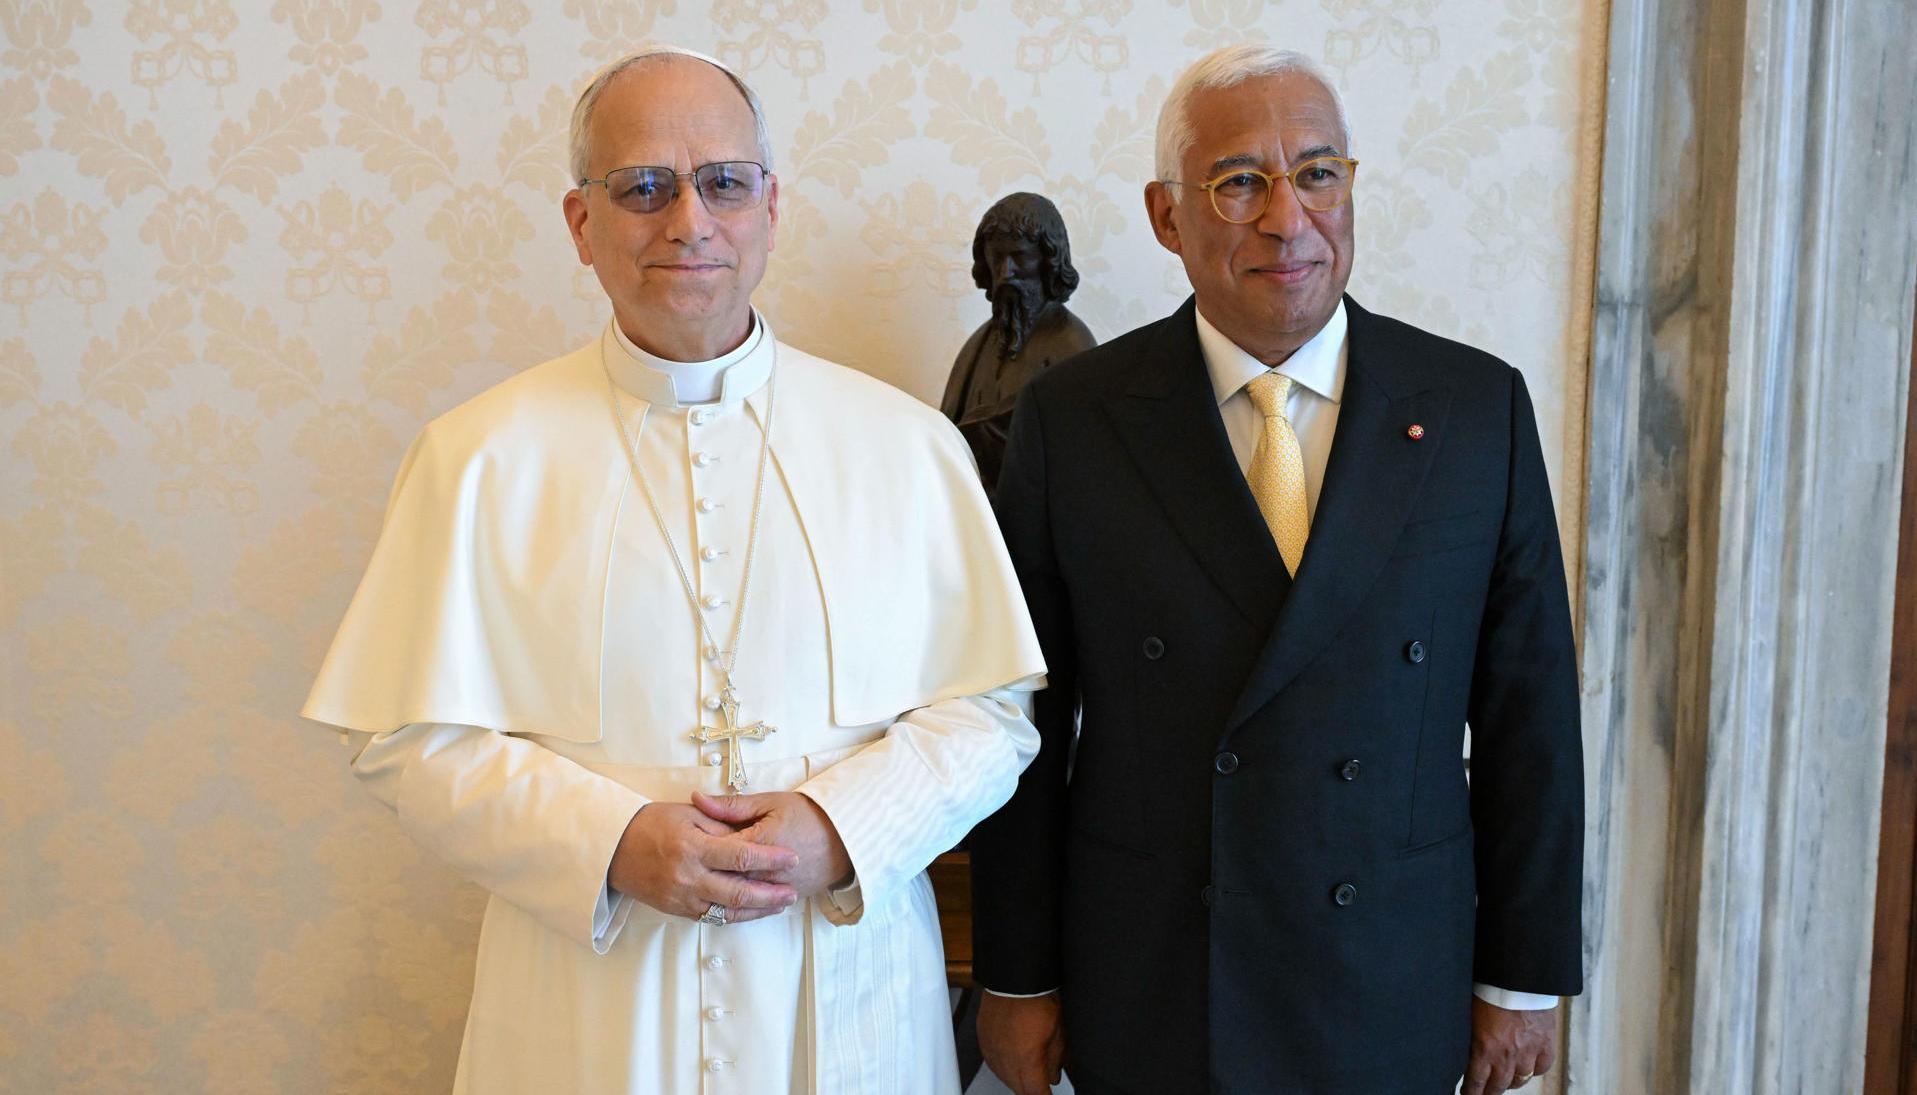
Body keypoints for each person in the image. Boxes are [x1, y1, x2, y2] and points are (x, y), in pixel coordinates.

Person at [303, 45, 1045, 1095]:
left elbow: (991, 710)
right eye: (643, 187)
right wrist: (609, 842)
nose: (689, 221)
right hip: (587, 1006)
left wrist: (841, 829)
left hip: (846, 998)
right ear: (580, 224)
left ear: (771, 208)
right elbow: (402, 733)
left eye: (723, 183)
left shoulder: (906, 446)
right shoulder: (479, 456)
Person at [968, 43, 1583, 1095]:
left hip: (1393, 963)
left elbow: (1531, 711)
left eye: (1317, 174)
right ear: (1168, 217)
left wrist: (1521, 980)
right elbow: (1021, 718)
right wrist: (1017, 979)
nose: (1287, 218)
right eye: (1240, 180)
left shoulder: (1478, 407)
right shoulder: (1073, 421)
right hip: (1158, 969)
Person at [940, 192, 1097, 491]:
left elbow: (1079, 456)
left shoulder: (1072, 345)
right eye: (997, 258)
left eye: (1019, 256)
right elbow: (944, 438)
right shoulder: (976, 346)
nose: (1005, 273)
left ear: (1049, 260)